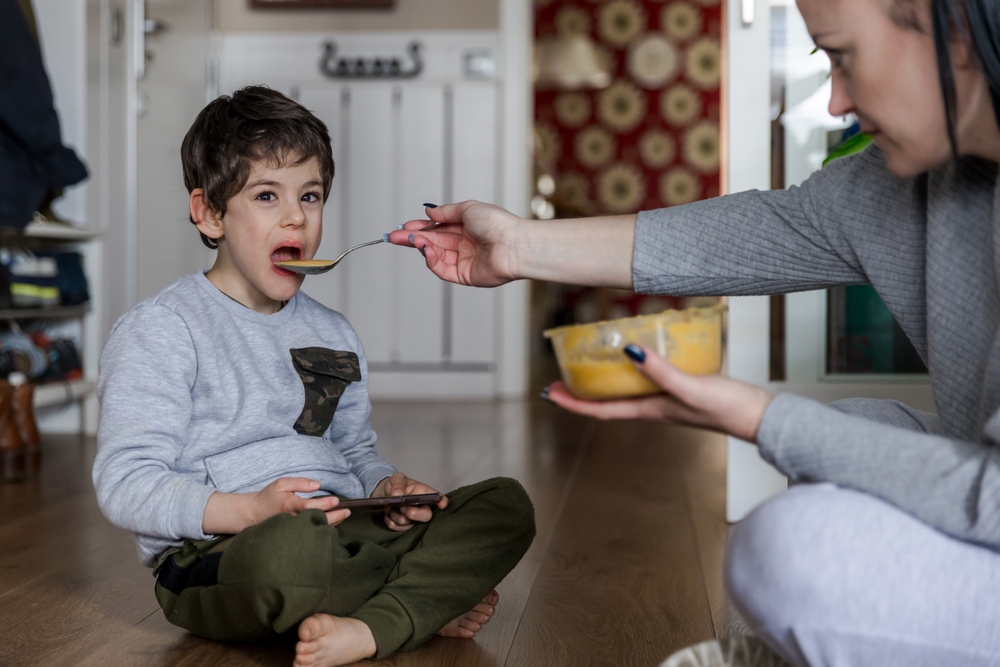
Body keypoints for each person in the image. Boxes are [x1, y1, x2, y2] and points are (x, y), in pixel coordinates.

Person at [387, 0, 1000, 664]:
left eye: (842, 55)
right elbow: (759, 233)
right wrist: (518, 246)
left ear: (956, 35)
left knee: (789, 548)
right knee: (843, 456)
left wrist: (761, 416)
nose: (835, 102)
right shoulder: (913, 184)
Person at [91, 86, 535, 667]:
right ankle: (415, 604)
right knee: (294, 555)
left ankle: (375, 616)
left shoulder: (334, 332)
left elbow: (351, 450)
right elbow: (125, 484)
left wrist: (384, 490)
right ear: (210, 213)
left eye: (311, 195)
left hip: (341, 526)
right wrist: (251, 509)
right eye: (267, 195)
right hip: (222, 551)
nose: (297, 215)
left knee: (505, 506)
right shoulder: (162, 329)